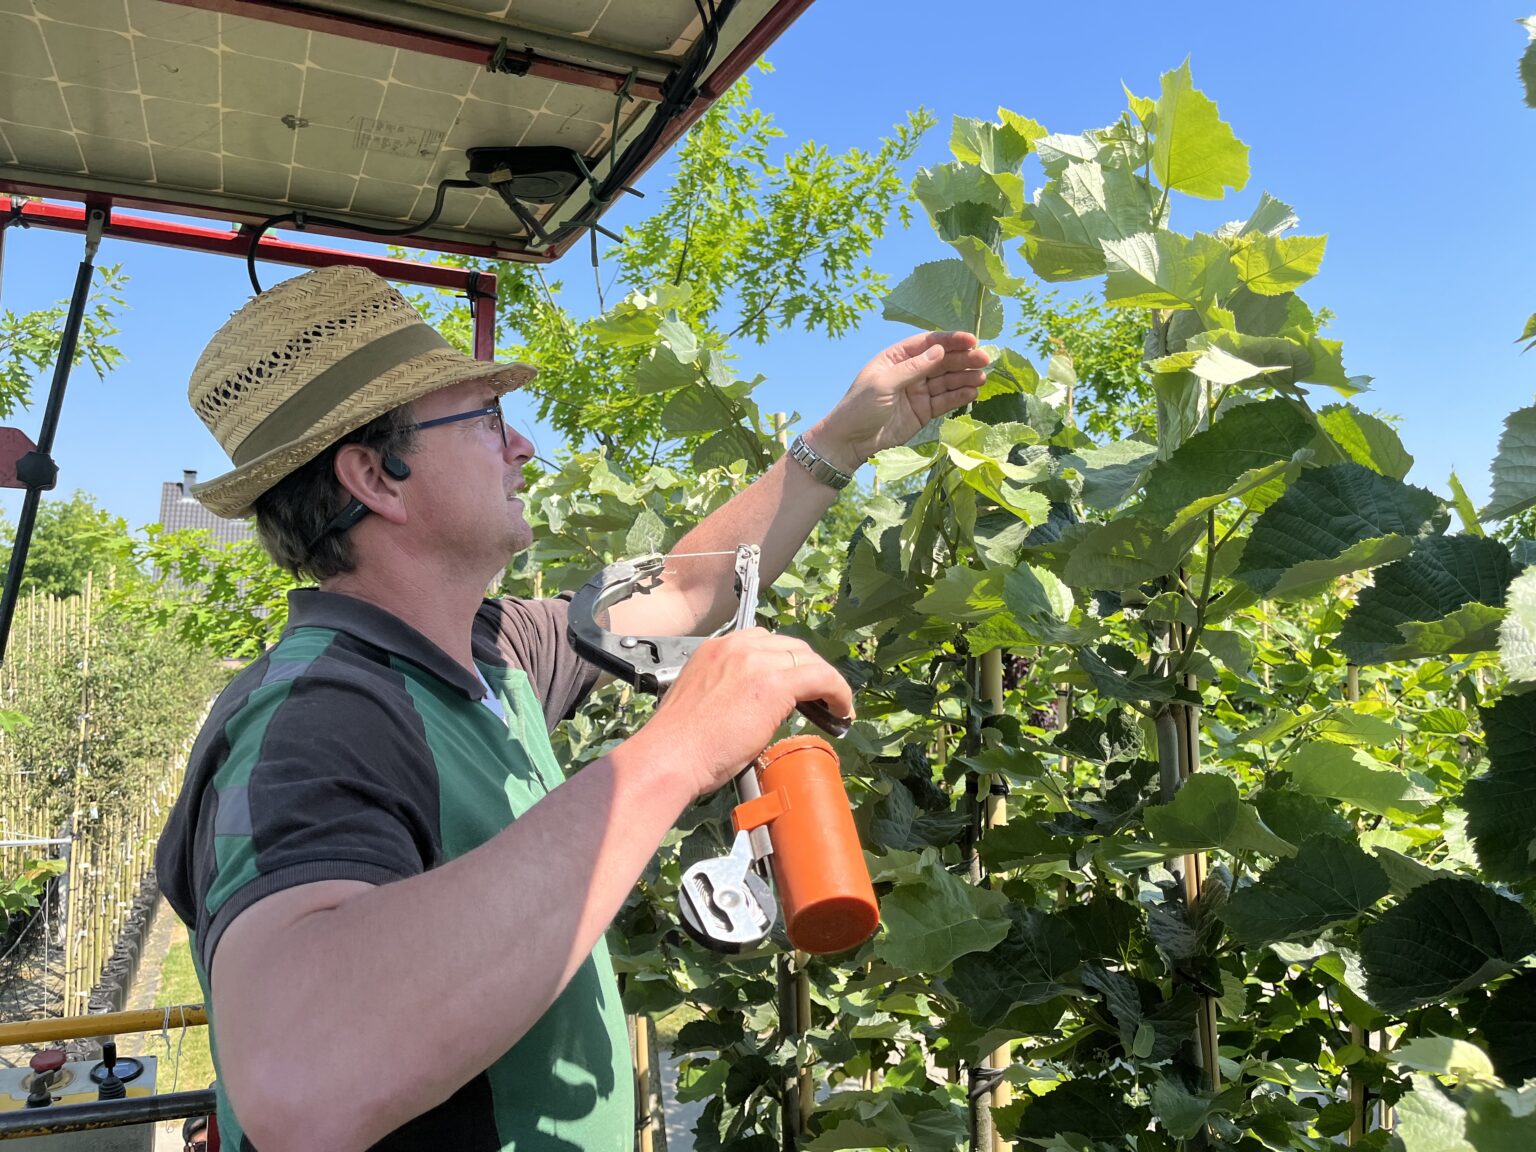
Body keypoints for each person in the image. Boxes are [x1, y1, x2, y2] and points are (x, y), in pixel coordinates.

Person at [155, 265, 987, 1151]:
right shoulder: (317, 716)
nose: (523, 448)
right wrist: (677, 752)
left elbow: (681, 589)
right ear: (377, 478)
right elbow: (299, 1079)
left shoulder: (492, 650)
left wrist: (840, 443)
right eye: (483, 420)